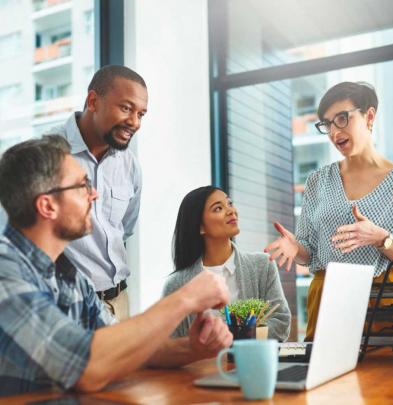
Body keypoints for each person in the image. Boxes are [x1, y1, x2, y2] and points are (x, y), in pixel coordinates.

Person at [0, 136, 233, 396]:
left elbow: (124, 347)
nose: (94, 194)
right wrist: (185, 298)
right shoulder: (5, 270)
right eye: (82, 186)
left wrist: (193, 349)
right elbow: (86, 366)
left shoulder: (69, 273)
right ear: (47, 205)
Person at [264, 81, 393, 341]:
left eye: (342, 119)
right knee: (321, 378)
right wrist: (295, 249)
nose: (335, 132)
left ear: (369, 116)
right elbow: (309, 252)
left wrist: (381, 238)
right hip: (328, 301)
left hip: (383, 303)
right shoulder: (317, 181)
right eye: (327, 124)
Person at [49, 65, 149, 321]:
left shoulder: (130, 164)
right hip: (68, 306)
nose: (135, 123)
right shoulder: (47, 153)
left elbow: (124, 229)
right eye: (126, 108)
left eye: (141, 114)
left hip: (119, 301)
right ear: (93, 101)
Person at [163, 186, 291, 341]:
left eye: (230, 203)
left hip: (251, 363)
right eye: (218, 208)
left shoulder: (262, 265)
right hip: (201, 366)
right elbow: (171, 343)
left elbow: (281, 322)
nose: (231, 211)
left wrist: (237, 338)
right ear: (200, 227)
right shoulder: (176, 284)